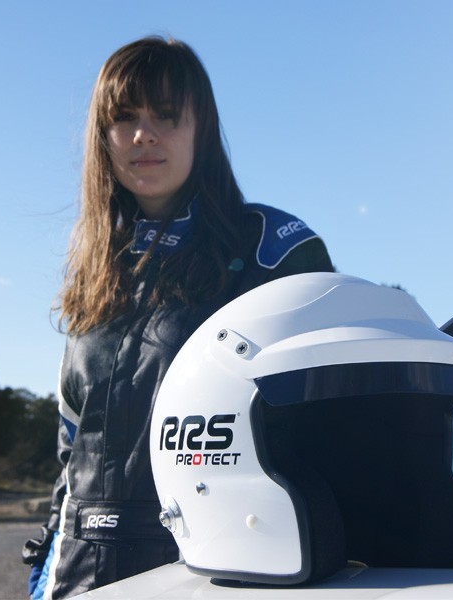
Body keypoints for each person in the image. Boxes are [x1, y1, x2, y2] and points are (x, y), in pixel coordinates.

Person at [23, 35, 334, 599]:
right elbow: (71, 454)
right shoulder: (95, 272)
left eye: (166, 115)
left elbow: (329, 429)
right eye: (124, 117)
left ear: (202, 129)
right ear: (103, 137)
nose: (143, 134)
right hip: (78, 572)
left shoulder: (273, 249)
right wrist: (44, 569)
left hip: (216, 568)